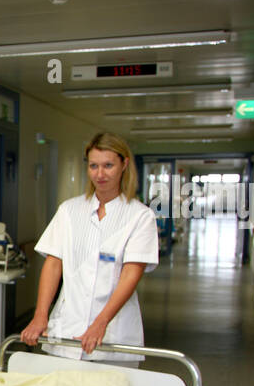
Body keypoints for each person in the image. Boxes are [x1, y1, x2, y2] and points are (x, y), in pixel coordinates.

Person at [20, 132, 158, 364]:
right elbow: (53, 264)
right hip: (67, 328)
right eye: (94, 166)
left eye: (108, 165)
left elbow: (131, 274)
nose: (100, 174)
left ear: (124, 164)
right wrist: (40, 315)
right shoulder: (69, 210)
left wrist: (100, 322)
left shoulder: (140, 216)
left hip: (114, 333)